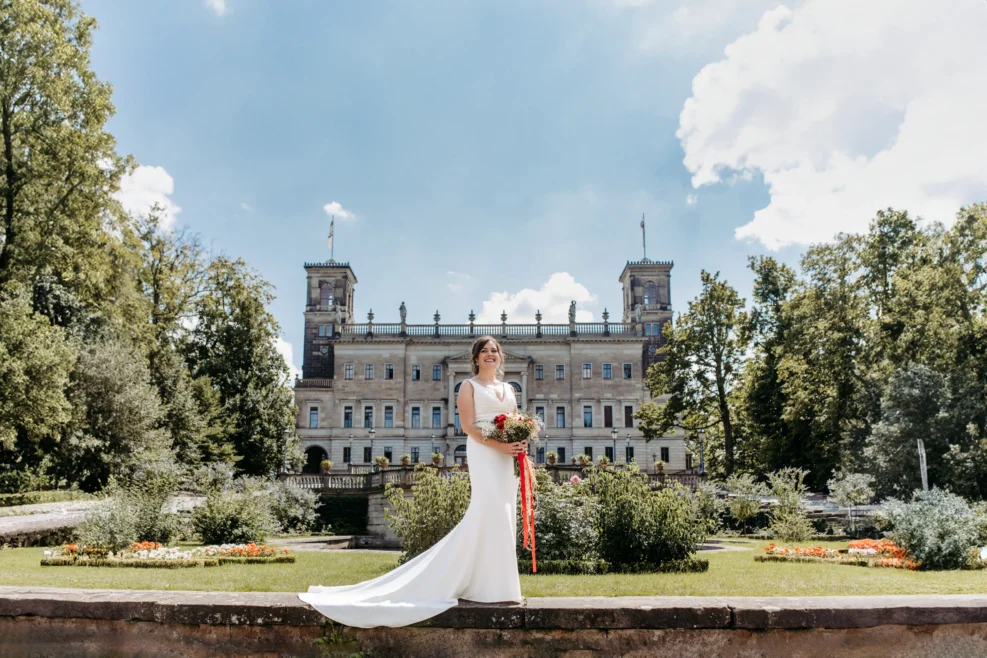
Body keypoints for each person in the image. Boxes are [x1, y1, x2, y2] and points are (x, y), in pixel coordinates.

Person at [298, 335, 526, 628]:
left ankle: (498, 587)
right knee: (487, 511)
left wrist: (519, 445)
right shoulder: (468, 386)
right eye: (484, 351)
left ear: (500, 356)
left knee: (504, 515)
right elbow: (468, 426)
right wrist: (501, 446)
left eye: (494, 350)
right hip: (484, 452)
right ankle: (481, 585)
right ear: (476, 357)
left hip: (505, 458)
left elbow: (515, 422)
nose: (490, 355)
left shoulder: (508, 388)